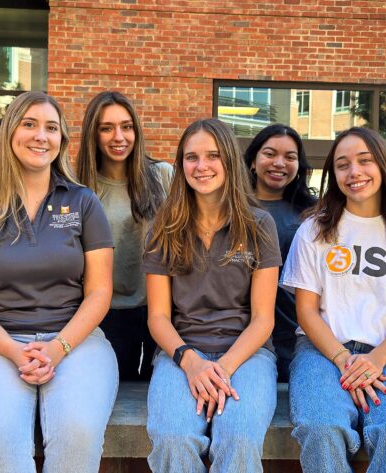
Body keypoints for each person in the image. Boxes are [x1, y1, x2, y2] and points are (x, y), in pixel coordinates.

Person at [0, 91, 117, 473]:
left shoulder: (84, 203)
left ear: (62, 140)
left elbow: (100, 291)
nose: (41, 136)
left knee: (78, 432)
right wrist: (11, 349)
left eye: (51, 128)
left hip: (76, 340)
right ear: (9, 133)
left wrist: (58, 347)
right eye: (30, 124)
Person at [282, 127, 386, 473]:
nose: (354, 172)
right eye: (342, 164)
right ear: (333, 174)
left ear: (383, 166)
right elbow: (306, 312)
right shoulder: (314, 230)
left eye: (364, 161)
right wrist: (343, 358)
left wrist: (374, 360)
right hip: (321, 351)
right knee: (321, 426)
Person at [143, 118, 281, 473]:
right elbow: (158, 317)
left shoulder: (258, 224)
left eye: (212, 156)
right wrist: (191, 362)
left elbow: (264, 318)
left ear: (230, 162)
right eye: (192, 157)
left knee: (238, 439)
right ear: (181, 164)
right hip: (181, 353)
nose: (201, 166)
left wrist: (222, 369)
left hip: (246, 355)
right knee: (173, 438)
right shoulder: (165, 225)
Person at [76, 91, 172, 381]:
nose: (119, 137)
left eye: (126, 127)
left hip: (160, 307)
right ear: (93, 134)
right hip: (106, 312)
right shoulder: (79, 186)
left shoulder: (163, 175)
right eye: (107, 128)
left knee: (155, 392)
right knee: (118, 394)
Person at [243, 123, 315, 381]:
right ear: (252, 161)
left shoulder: (313, 214)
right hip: (241, 335)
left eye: (290, 157)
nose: (279, 163)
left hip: (295, 335)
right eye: (270, 154)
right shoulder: (230, 207)